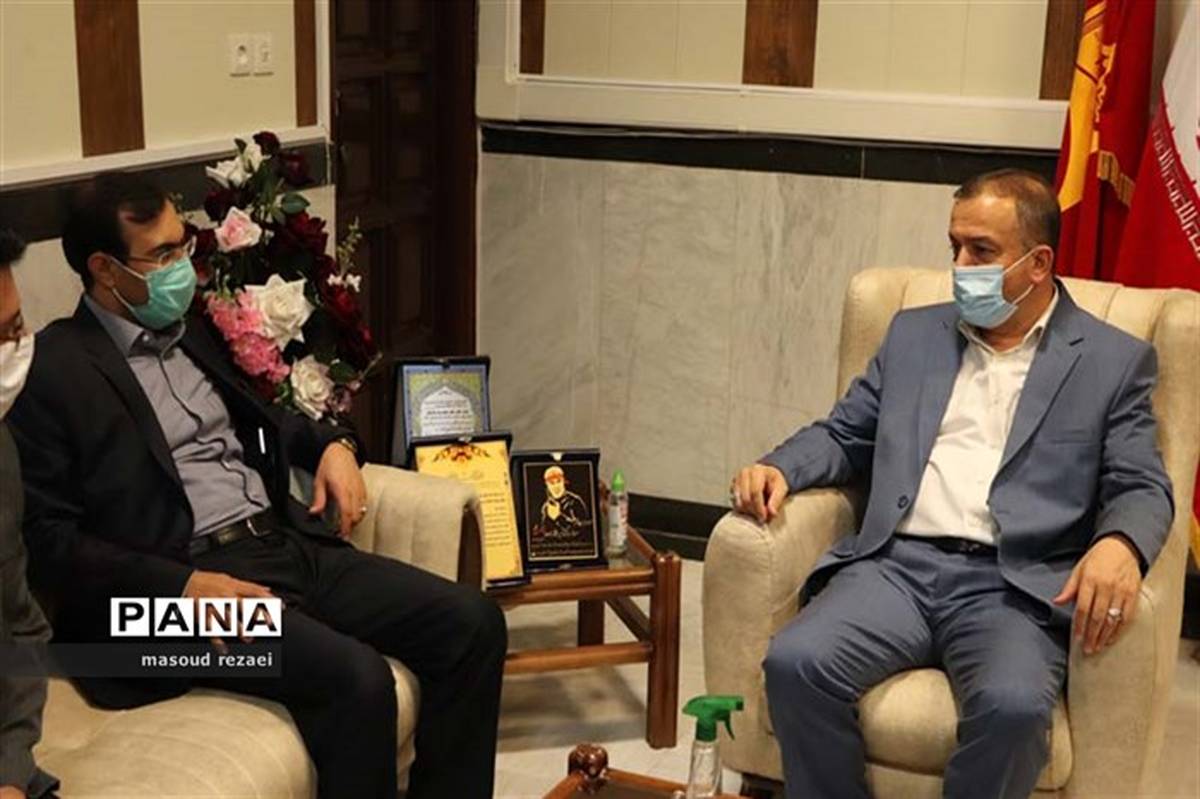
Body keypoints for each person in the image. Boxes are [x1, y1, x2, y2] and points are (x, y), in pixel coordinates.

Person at [7, 173, 507, 799]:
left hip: (279, 543)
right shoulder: (52, 368)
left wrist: (333, 446)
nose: (182, 266)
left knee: (472, 624)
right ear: (104, 269)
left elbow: (268, 419)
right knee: (357, 679)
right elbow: (50, 543)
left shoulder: (193, 331)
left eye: (183, 244)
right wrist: (183, 587)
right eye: (162, 254)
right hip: (166, 605)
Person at [731, 169, 1172, 799]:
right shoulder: (914, 334)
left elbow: (1140, 483)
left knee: (1014, 709)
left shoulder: (1111, 361)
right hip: (896, 569)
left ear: (1039, 263)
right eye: (955, 246)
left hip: (1013, 585)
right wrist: (780, 467)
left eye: (982, 251)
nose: (961, 267)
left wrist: (1120, 544)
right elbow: (846, 433)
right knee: (795, 664)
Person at [0, 229, 59, 799]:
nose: (15, 347)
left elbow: (21, 623)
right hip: (150, 608)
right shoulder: (80, 370)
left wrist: (11, 772)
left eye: (15, 325)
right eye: (162, 254)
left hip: (270, 562)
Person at [538, 465, 589, 536]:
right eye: (552, 483)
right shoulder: (546, 508)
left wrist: (559, 517)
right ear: (547, 485)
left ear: (564, 481)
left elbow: (585, 529)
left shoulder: (575, 501)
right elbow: (545, 533)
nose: (556, 486)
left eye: (558, 481)